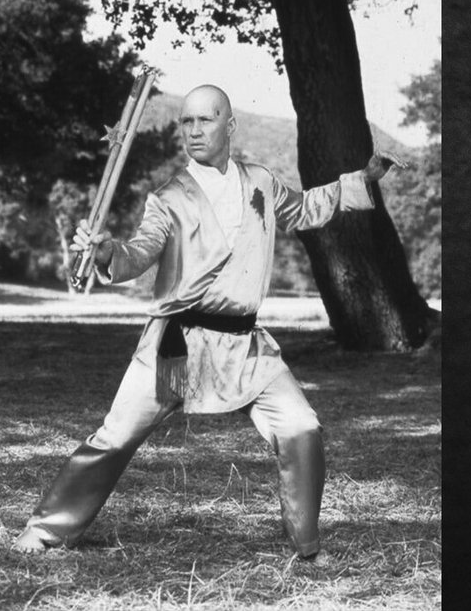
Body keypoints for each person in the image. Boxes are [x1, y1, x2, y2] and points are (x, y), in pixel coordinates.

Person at [23, 81, 392, 560]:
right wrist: (107, 251)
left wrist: (363, 178)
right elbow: (138, 253)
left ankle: (306, 545)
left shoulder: (261, 181)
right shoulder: (168, 198)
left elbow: (304, 208)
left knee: (302, 427)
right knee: (114, 436)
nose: (194, 130)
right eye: (186, 121)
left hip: (246, 349)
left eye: (206, 119)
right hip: (176, 346)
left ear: (230, 125)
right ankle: (46, 529)